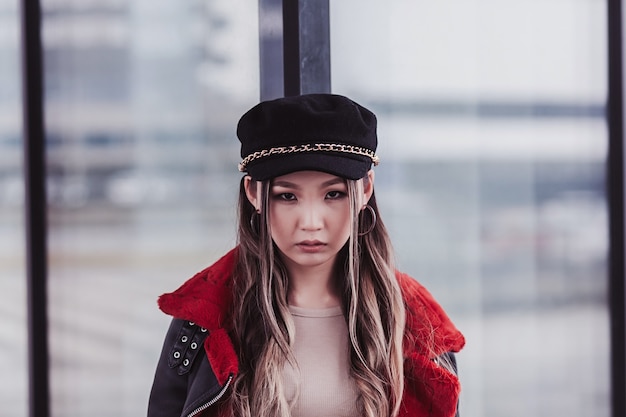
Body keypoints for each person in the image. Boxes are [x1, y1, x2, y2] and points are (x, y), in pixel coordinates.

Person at [147, 94, 465, 417]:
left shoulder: (417, 321)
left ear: (365, 190)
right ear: (253, 193)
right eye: (287, 196)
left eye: (333, 194)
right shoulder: (205, 318)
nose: (311, 222)